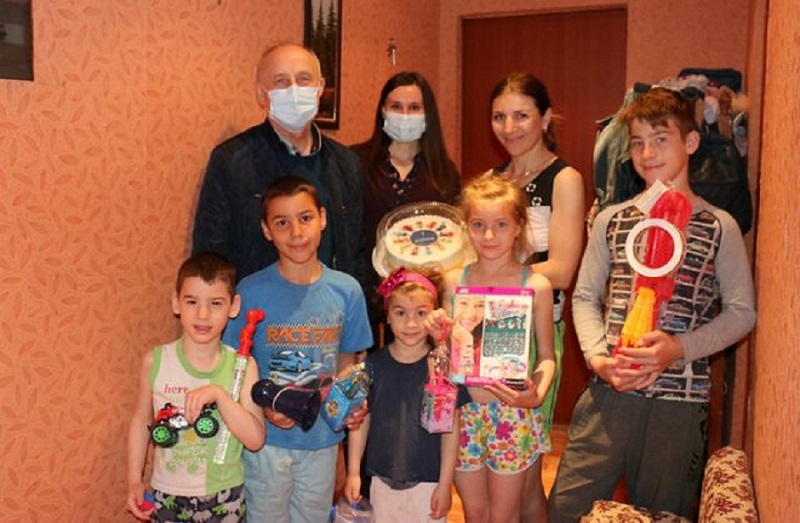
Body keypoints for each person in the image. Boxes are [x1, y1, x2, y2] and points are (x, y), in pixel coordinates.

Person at [548, 88, 757, 521]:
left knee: (663, 513)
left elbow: (742, 312)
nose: (647, 153)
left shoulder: (720, 226)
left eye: (661, 139)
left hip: (678, 404)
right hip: (609, 392)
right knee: (567, 508)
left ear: (691, 142)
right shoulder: (611, 220)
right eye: (638, 142)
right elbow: (585, 297)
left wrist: (678, 348)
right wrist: (598, 359)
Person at [222, 175, 373, 522]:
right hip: (265, 444)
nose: (296, 232)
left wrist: (351, 404)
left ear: (322, 218)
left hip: (322, 443)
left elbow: (348, 364)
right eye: (282, 222)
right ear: (266, 230)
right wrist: (262, 410)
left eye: (305, 218)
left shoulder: (347, 291)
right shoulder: (251, 291)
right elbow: (234, 368)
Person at [426, 174, 556, 523]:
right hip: (464, 414)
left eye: (500, 224)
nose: (488, 236)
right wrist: (438, 334)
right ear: (466, 227)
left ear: (518, 226)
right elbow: (446, 354)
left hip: (512, 413)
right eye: (478, 225)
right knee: (474, 514)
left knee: (504, 516)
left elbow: (547, 356)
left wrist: (536, 394)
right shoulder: (454, 282)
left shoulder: (537, 286)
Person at [192, 43, 365, 284]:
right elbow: (211, 256)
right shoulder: (231, 161)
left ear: (320, 89)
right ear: (261, 94)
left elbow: (358, 253)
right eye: (281, 81)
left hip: (332, 305)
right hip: (257, 306)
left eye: (304, 79)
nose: (294, 90)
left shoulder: (347, 164)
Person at [126, 252, 266, 522]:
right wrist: (134, 480)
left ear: (234, 306)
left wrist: (219, 396)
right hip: (167, 494)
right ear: (176, 303)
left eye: (216, 303)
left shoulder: (243, 366)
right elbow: (142, 421)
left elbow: (255, 439)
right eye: (192, 302)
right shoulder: (155, 361)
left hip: (225, 495)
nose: (203, 314)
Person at [344, 268, 470, 522]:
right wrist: (353, 472)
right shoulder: (372, 367)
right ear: (387, 315)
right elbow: (360, 420)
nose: (411, 323)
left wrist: (446, 483)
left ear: (433, 314)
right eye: (400, 313)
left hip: (429, 484)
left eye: (421, 313)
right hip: (381, 482)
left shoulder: (442, 369)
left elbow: (451, 429)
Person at [351, 71, 461, 345]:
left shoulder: (444, 173)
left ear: (428, 114)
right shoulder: (354, 162)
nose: (405, 114)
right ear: (383, 110)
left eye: (414, 108)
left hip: (422, 307)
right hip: (364, 297)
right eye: (396, 106)